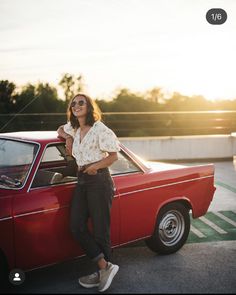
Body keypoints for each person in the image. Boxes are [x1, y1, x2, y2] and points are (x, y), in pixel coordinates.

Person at [57, 93, 120, 292]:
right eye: (73, 103)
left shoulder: (100, 129)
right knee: (76, 226)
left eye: (81, 102)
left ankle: (102, 273)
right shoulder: (74, 128)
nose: (76, 105)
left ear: (89, 106)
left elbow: (113, 156)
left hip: (99, 180)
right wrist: (67, 136)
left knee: (101, 231)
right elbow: (59, 128)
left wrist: (95, 167)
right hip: (82, 180)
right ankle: (105, 268)